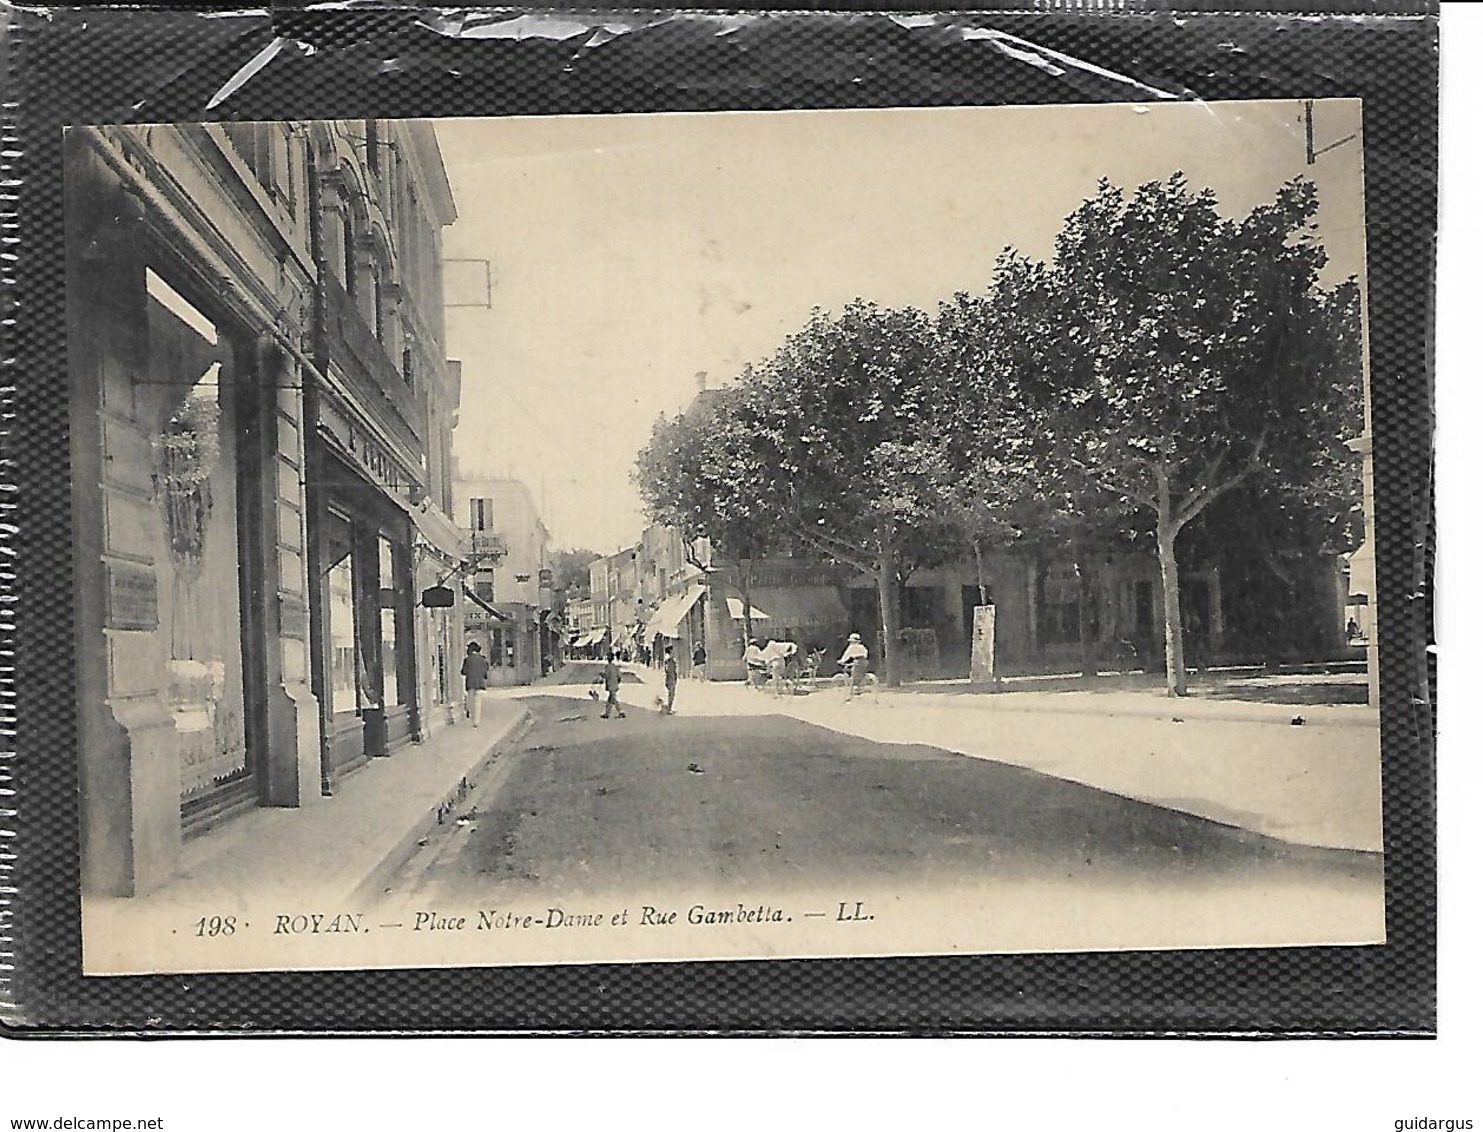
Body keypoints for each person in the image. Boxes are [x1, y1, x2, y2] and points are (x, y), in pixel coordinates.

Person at [460, 641, 490, 726]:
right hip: (480, 684)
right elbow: (485, 671)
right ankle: (476, 721)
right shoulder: (483, 659)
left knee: (471, 703)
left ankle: (472, 718)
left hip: (470, 684)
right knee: (478, 703)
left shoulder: (467, 659)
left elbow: (463, 672)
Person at [839, 632, 870, 699]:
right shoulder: (862, 646)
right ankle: (859, 688)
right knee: (861, 674)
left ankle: (850, 696)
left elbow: (846, 655)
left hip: (857, 661)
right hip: (865, 661)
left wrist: (842, 661)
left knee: (853, 677)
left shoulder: (851, 647)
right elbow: (865, 653)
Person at [596, 652, 626, 719]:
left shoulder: (607, 667)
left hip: (610, 685)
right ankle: (607, 713)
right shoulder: (615, 667)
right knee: (610, 700)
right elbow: (619, 677)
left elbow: (606, 676)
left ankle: (621, 712)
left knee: (614, 699)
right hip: (615, 685)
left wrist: (601, 675)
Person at [662, 645, 679, 714]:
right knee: (671, 694)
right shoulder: (669, 659)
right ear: (670, 651)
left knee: (671, 693)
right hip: (670, 678)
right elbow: (669, 669)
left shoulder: (668, 658)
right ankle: (669, 709)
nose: (674, 651)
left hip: (670, 677)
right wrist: (673, 678)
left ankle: (669, 708)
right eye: (673, 650)